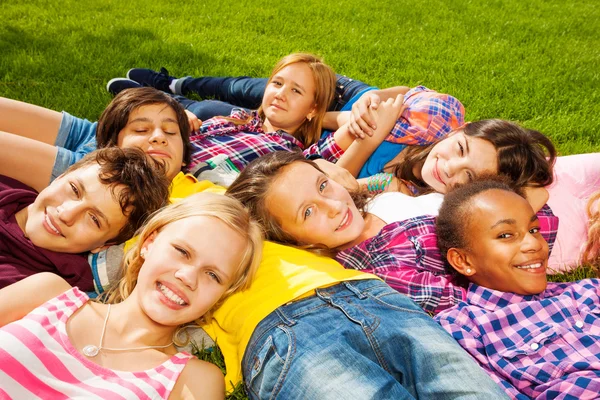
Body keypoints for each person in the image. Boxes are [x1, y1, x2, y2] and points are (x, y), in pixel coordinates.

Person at [0, 192, 263, 399]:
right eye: (182, 251)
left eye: (213, 275)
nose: (187, 277)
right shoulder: (47, 292)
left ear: (221, 295)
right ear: (149, 243)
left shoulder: (194, 381)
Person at [225, 150, 559, 313]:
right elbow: (460, 302)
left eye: (323, 186)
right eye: (308, 211)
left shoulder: (379, 200)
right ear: (291, 240)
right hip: (519, 292)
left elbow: (535, 218)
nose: (334, 205)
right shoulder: (373, 267)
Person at [117, 66, 466, 179]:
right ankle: (176, 83)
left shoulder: (407, 177)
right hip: (345, 98)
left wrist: (322, 119)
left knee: (211, 109)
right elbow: (406, 92)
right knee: (242, 88)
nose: (451, 166)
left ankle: (168, 98)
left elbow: (337, 169)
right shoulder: (439, 123)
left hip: (305, 120)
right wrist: (362, 107)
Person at [433, 179, 600, 399]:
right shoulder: (461, 329)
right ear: (463, 260)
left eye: (534, 229)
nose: (534, 244)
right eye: (505, 235)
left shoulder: (588, 291)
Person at [0, 147, 170, 292]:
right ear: (61, 176)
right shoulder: (9, 186)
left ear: (103, 245)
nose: (66, 214)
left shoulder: (28, 286)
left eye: (94, 220)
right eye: (74, 189)